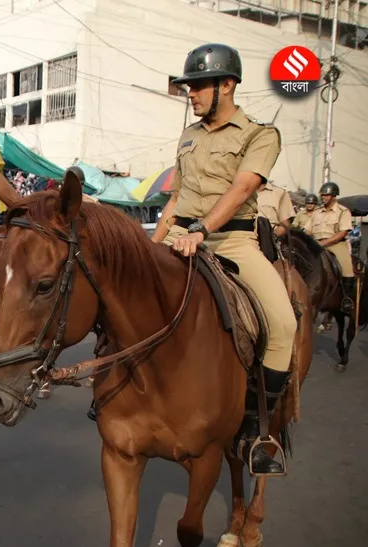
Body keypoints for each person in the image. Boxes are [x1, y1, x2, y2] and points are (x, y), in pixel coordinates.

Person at [149, 43, 296, 476]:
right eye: (188, 86)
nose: (190, 94)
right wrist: (153, 246)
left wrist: (202, 230)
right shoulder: (189, 135)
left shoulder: (260, 134)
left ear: (227, 85)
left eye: (198, 86)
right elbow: (177, 197)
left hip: (231, 242)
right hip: (181, 235)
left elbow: (242, 190)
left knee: (284, 326)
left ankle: (257, 427)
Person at [306, 182, 355, 313]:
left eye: (326, 195)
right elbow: (308, 230)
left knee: (347, 268)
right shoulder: (316, 212)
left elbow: (342, 233)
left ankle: (346, 300)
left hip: (335, 244)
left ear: (334, 196)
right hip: (316, 244)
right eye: (322, 195)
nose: (323, 197)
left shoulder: (343, 211)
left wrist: (324, 243)